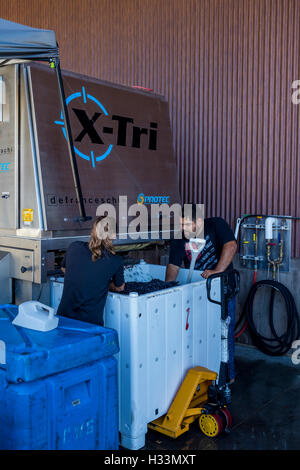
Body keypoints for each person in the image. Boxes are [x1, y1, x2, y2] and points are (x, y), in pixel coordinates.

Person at [165, 203, 237, 382]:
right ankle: (207, 374)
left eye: (186, 225)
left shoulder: (216, 225)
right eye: (181, 225)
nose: (183, 229)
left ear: (198, 221)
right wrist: (166, 289)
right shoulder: (180, 237)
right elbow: (173, 265)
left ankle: (227, 377)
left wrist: (217, 271)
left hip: (224, 287)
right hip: (200, 290)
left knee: (223, 332)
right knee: (204, 333)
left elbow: (231, 246)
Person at [57, 216, 124, 326]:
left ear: (93, 231)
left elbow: (64, 268)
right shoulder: (115, 260)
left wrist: (82, 276)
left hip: (63, 319)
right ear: (113, 235)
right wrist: (103, 282)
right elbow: (120, 287)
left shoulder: (74, 247)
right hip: (90, 325)